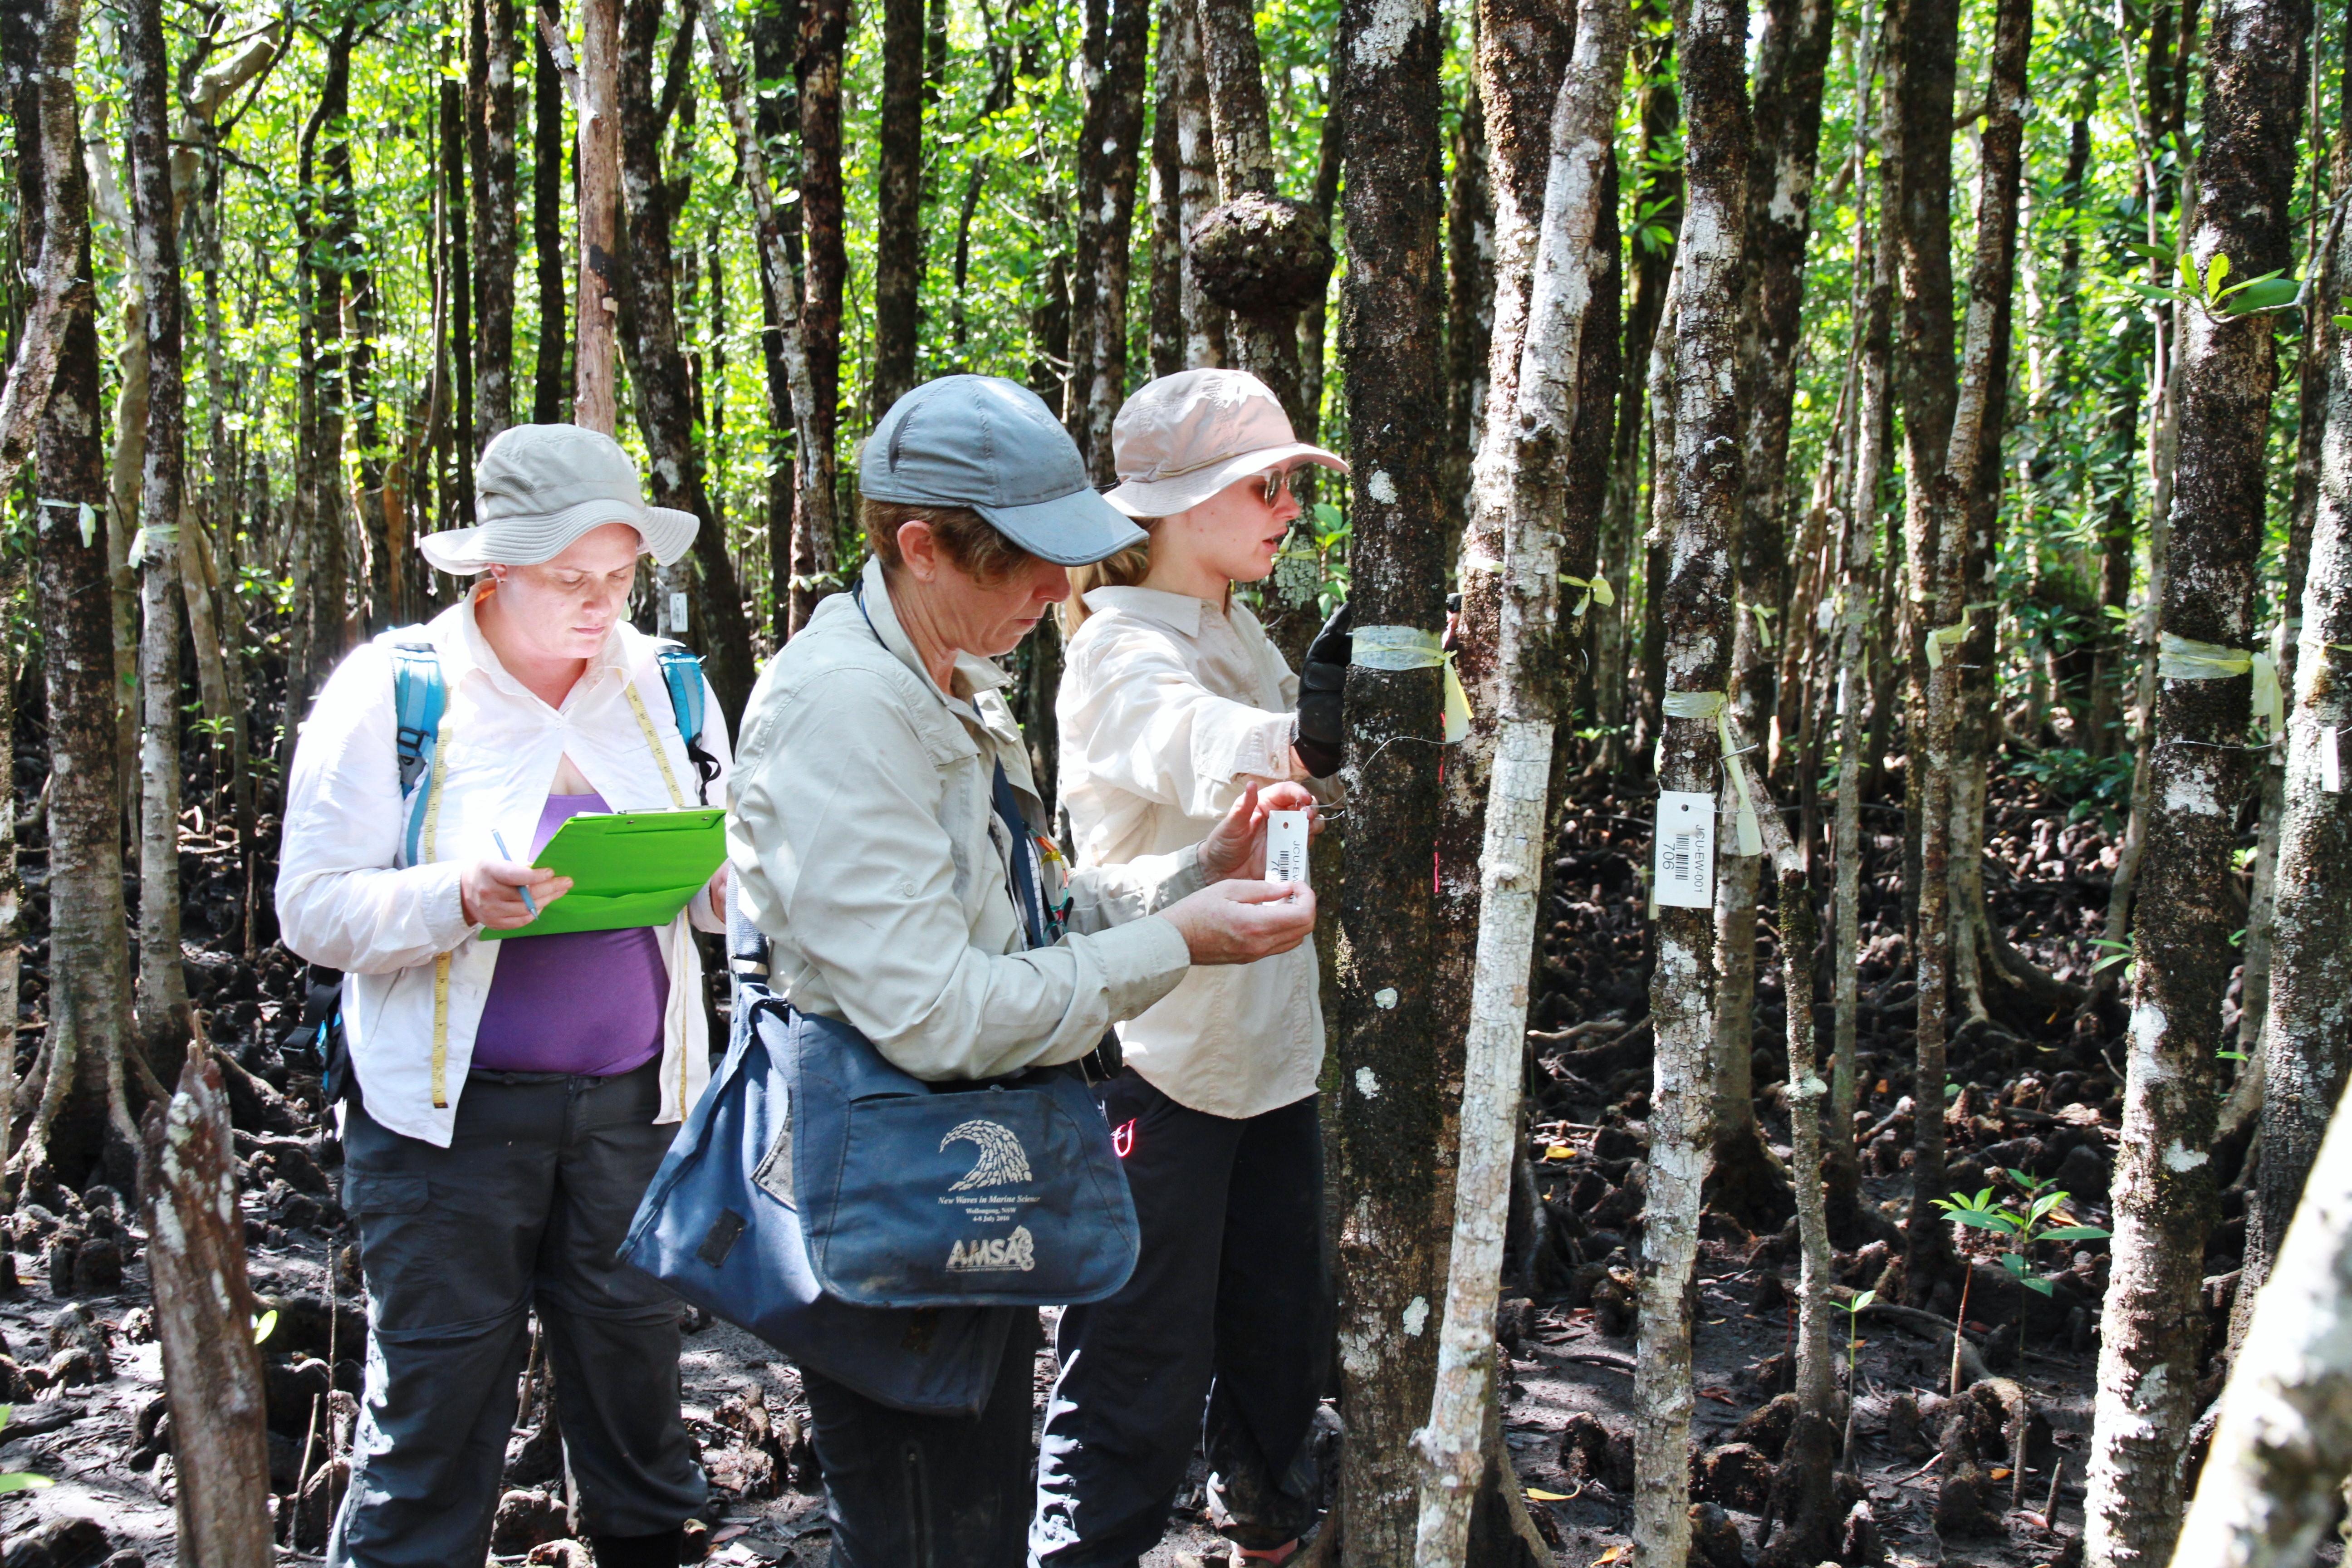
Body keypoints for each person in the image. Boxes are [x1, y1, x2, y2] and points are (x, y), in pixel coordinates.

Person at [727, 373, 1320, 1568]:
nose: (1060, 591)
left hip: (963, 1186)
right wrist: (1183, 940)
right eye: (1028, 562)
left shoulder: (950, 686)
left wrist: (1197, 872)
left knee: (977, 1524)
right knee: (925, 1535)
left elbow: (1037, 922)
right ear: (921, 549)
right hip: (881, 1196)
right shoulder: (848, 710)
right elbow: (939, 1011)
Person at [277, 424, 731, 1568]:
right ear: (494, 574)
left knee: (640, 1412)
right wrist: (455, 899)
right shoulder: (396, 693)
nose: (601, 604)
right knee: (435, 1414)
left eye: (621, 577)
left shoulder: (668, 687)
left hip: (634, 1111)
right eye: (572, 581)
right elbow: (312, 909)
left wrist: (732, 887)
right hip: (446, 1133)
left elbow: (738, 898)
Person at [1033, 368, 1353, 1568]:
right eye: (1262, 485)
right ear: (1174, 504)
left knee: (1279, 1363)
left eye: (1288, 485)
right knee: (1134, 1375)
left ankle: (1267, 1532)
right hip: (1159, 1067)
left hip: (1274, 1057)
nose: (1285, 508)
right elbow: (1196, 742)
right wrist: (1300, 734)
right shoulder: (1119, 647)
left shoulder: (1239, 623)